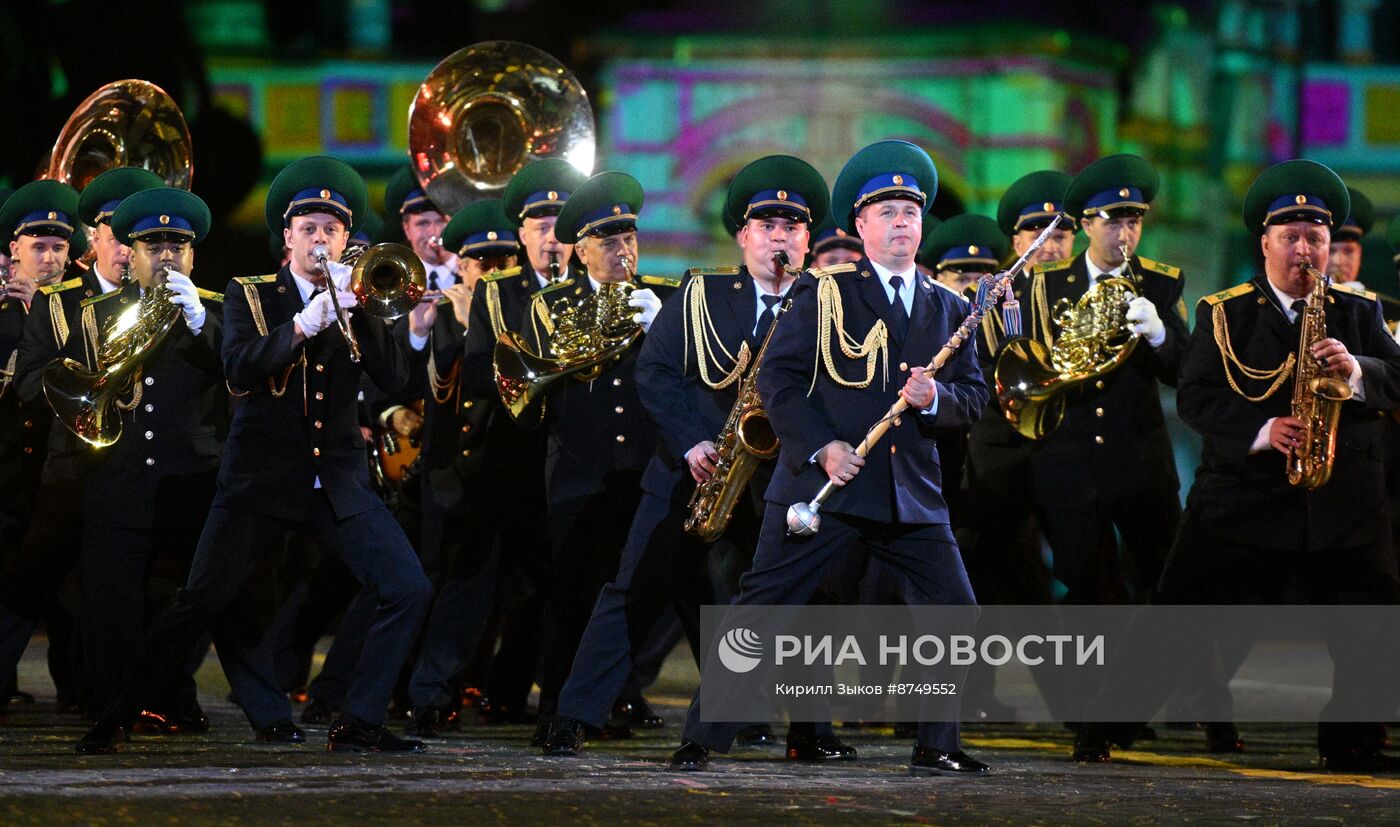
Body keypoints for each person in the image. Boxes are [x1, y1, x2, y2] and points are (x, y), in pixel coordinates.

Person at [76, 156, 432, 755]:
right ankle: (115, 715)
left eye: (332, 231)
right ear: (287, 238)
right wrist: (300, 325)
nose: (321, 241)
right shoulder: (250, 294)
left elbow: (397, 379)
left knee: (408, 587)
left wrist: (362, 314)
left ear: (347, 240)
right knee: (199, 603)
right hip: (260, 481)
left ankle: (359, 718)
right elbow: (238, 366)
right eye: (309, 230)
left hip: (336, 480)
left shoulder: (359, 298)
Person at [667, 140, 990, 776]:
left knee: (956, 609)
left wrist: (935, 398)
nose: (902, 222)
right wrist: (822, 445)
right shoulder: (823, 291)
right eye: (887, 212)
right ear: (860, 227)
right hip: (824, 487)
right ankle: (702, 738)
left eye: (911, 212)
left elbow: (973, 399)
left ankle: (937, 744)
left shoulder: (950, 308)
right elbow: (779, 383)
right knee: (764, 605)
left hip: (909, 491)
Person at [1072, 159, 1400, 772]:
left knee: (1371, 628)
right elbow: (1196, 398)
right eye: (1291, 239)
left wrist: (1356, 372)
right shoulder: (1226, 312)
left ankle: (1350, 743)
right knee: (1177, 621)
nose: (1305, 252)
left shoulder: (1359, 312)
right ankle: (1106, 726)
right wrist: (1262, 429)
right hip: (1244, 498)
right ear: (1266, 243)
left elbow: (1398, 378)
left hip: (1343, 503)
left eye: (1316, 239)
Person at [544, 155, 854, 761]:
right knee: (634, 590)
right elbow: (656, 374)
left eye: (792, 228)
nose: (780, 237)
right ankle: (571, 716)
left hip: (780, 477)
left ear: (808, 238)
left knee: (806, 599)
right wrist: (692, 442)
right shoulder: (699, 293)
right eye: (767, 226)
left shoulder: (826, 302)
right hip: (697, 469)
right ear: (743, 236)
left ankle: (811, 731)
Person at [56, 186, 226, 727]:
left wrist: (201, 320)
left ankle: (171, 692)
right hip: (120, 475)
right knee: (111, 606)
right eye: (155, 244)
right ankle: (113, 710)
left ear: (194, 254)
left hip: (192, 478)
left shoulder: (217, 311)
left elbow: (241, 371)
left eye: (179, 244)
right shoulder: (98, 312)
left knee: (193, 602)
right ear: (132, 252)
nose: (168, 254)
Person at [517, 170, 674, 741]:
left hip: (647, 470)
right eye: (608, 242)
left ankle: (610, 702)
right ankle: (557, 713)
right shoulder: (552, 305)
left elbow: (694, 378)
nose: (623, 250)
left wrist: (663, 329)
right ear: (580, 250)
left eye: (629, 238)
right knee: (571, 599)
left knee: (643, 595)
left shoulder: (669, 299)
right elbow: (537, 385)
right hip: (579, 473)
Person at [1019, 154, 1189, 605]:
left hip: (1139, 465)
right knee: (1090, 592)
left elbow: (1185, 371)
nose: (1126, 234)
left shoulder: (1160, 283)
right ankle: (1096, 677)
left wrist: (1159, 335)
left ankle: (1182, 677)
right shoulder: (1045, 284)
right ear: (1087, 224)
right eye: (1113, 222)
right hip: (1069, 465)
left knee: (1172, 582)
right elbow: (1028, 358)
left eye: (1134, 222)